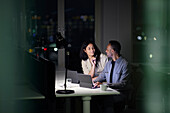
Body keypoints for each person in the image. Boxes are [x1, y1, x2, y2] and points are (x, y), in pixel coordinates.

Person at [93, 40, 132, 113]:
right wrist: (91, 80)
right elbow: (101, 77)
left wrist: (105, 85)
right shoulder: (108, 63)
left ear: (113, 51)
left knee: (106, 100)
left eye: (107, 50)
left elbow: (122, 84)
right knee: (94, 99)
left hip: (119, 93)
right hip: (108, 92)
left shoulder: (125, 64)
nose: (106, 51)